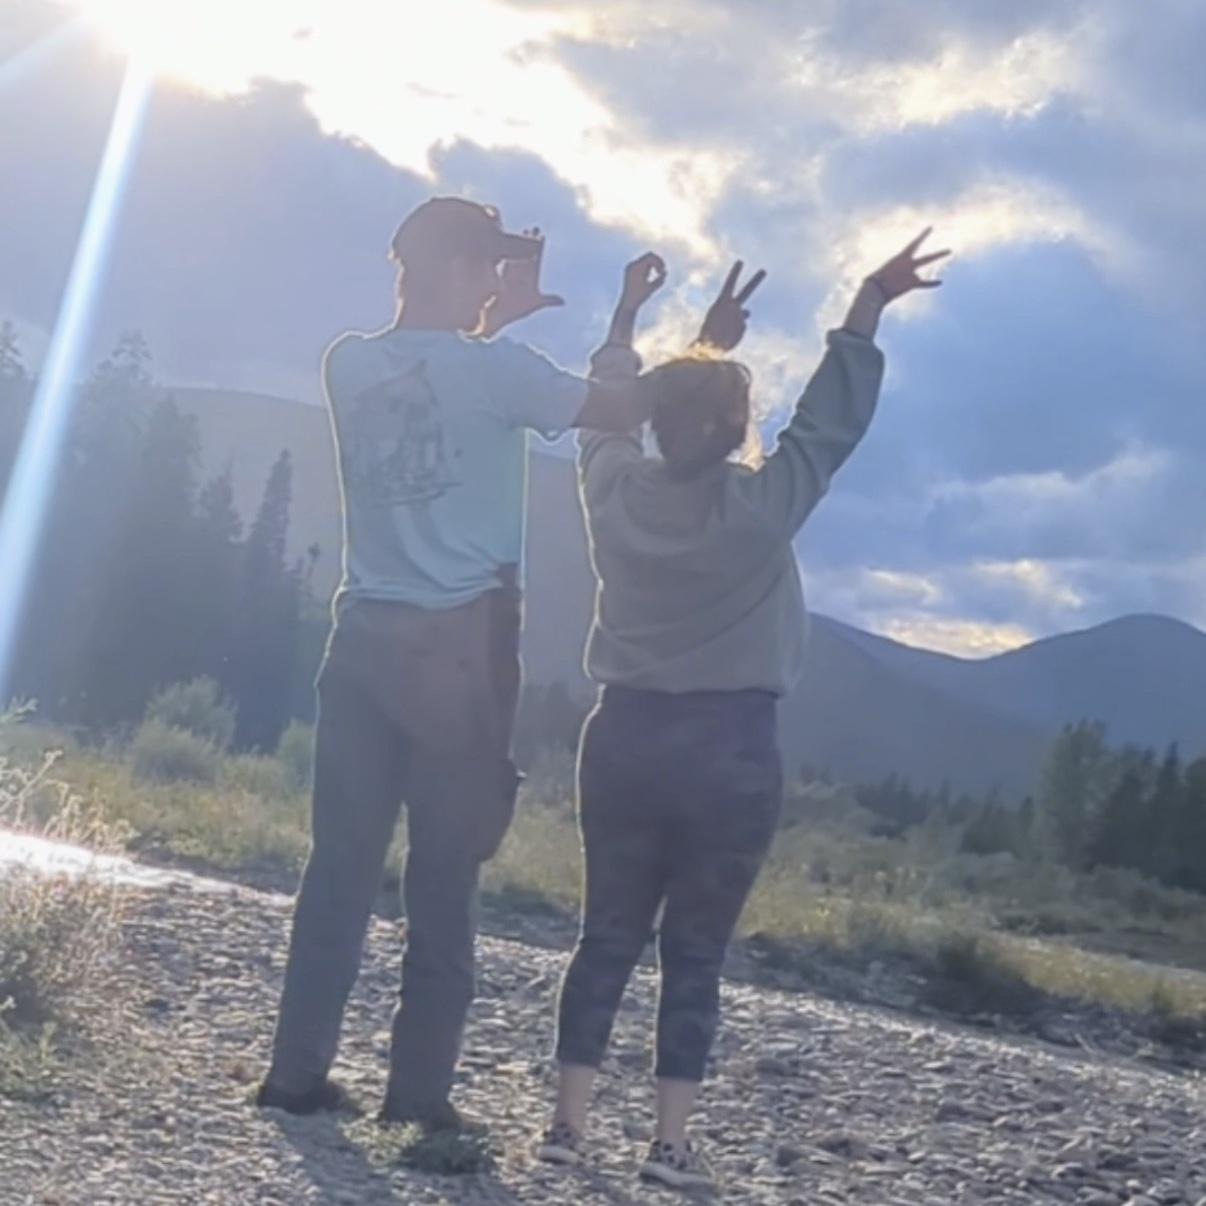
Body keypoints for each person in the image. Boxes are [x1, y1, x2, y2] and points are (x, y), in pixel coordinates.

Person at [255, 196, 744, 1129]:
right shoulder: (505, 375)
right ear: (451, 271)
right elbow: (625, 406)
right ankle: (420, 1099)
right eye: (486, 266)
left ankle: (294, 1076)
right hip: (462, 652)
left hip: (360, 635)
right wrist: (692, 339)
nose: (497, 280)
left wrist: (490, 320)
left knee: (340, 871)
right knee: (444, 877)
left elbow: (432, 370)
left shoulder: (347, 364)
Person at [539, 230, 949, 1189]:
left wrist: (638, 323)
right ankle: (669, 1146)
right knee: (694, 954)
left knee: (606, 937)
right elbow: (827, 426)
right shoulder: (763, 509)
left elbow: (606, 419)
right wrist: (865, 305)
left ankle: (565, 1128)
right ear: (736, 431)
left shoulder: (612, 494)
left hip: (626, 735)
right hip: (730, 750)